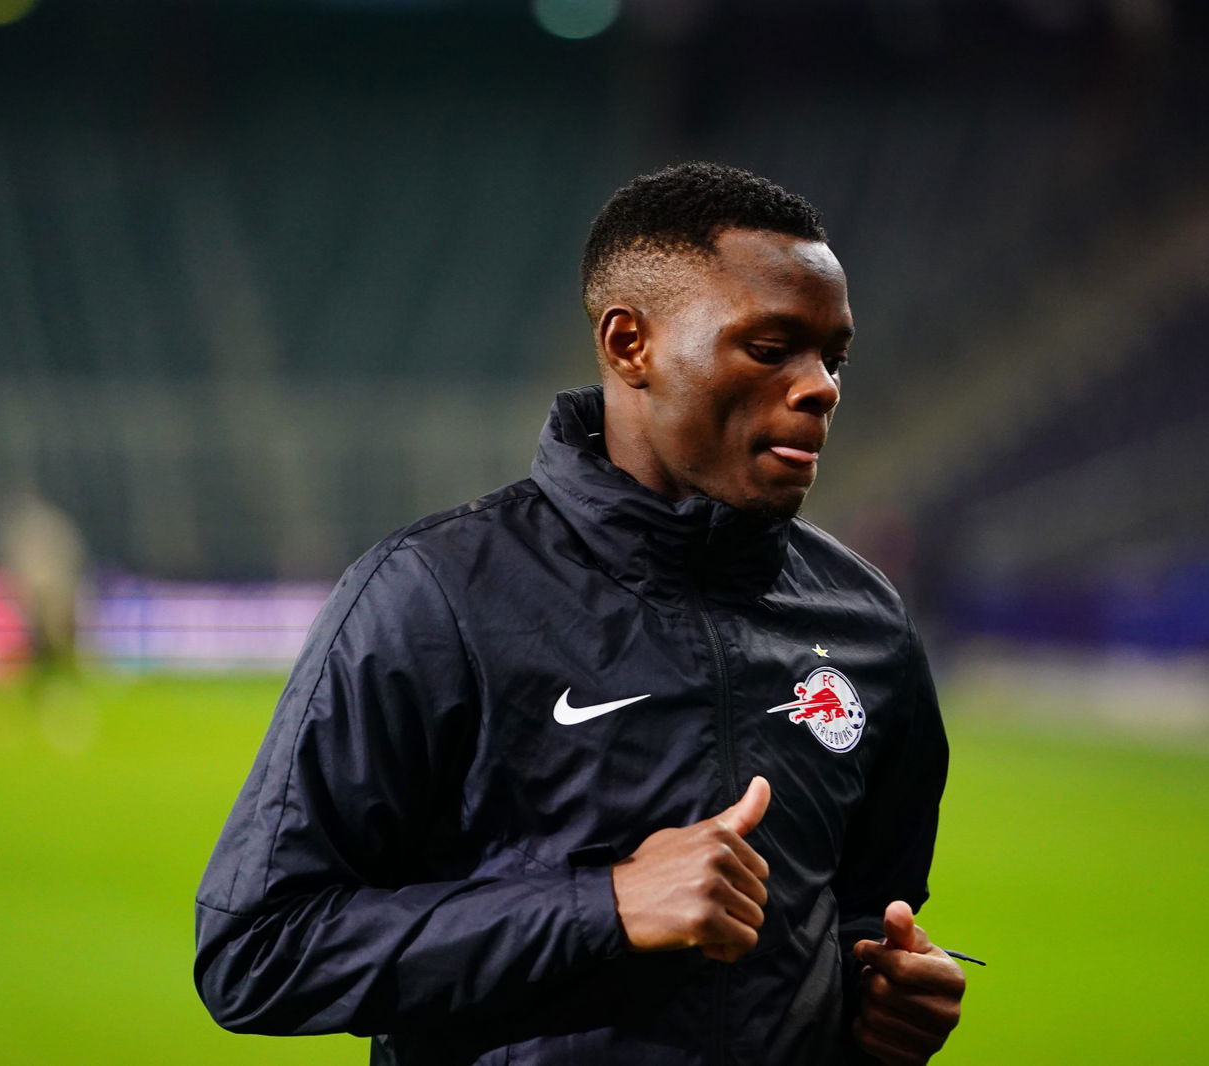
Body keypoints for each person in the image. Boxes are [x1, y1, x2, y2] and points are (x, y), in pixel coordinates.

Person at [195, 162, 967, 1065]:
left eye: (833, 357)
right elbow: (258, 951)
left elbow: (860, 917)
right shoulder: (435, 595)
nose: (822, 387)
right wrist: (605, 906)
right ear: (630, 344)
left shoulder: (868, 623)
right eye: (770, 348)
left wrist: (883, 1002)